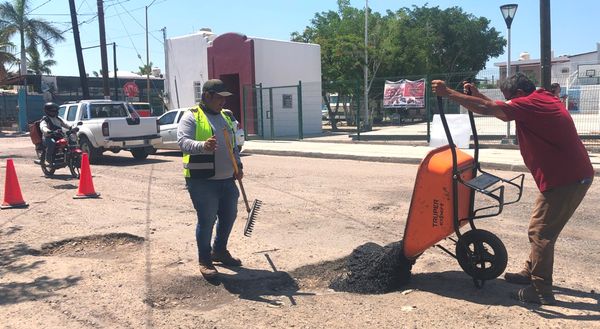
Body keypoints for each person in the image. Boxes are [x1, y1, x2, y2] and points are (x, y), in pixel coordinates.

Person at [432, 73, 593, 305]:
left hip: (565, 179)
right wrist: (478, 96)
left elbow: (490, 110)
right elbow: (503, 111)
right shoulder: (541, 98)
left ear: (519, 95)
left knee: (540, 233)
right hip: (565, 176)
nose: (510, 102)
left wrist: (449, 93)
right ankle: (530, 272)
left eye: (510, 98)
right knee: (541, 228)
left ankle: (540, 290)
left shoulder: (530, 104)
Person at [177, 79, 243, 281]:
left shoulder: (226, 117)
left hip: (227, 179)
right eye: (219, 97)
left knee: (229, 216)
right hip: (202, 181)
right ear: (207, 96)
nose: (223, 102)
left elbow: (233, 146)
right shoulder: (192, 117)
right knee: (207, 220)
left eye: (225, 98)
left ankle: (219, 251)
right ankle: (205, 260)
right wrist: (202, 146)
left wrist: (238, 165)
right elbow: (183, 142)